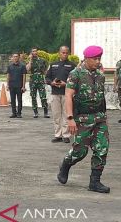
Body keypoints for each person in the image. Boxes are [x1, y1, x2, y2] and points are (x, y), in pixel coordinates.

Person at [57, 45, 110, 193]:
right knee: (80, 151)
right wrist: (70, 118)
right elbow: (68, 95)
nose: (98, 61)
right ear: (86, 59)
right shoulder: (76, 74)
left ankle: (95, 182)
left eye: (99, 58)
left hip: (99, 117)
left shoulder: (100, 75)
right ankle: (66, 164)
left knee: (102, 149)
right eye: (95, 59)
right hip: (82, 118)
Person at [45, 46, 76, 143]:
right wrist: (52, 83)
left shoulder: (72, 66)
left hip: (66, 94)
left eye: (66, 53)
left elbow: (75, 80)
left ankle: (66, 135)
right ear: (59, 53)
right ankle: (58, 134)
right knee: (56, 115)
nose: (65, 54)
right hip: (55, 93)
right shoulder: (53, 65)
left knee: (66, 114)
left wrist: (66, 84)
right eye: (63, 52)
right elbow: (47, 78)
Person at [26, 47, 50, 118]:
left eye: (35, 51)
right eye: (33, 51)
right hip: (33, 80)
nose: (34, 52)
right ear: (31, 53)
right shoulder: (30, 61)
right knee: (33, 96)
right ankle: (35, 112)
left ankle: (46, 112)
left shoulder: (42, 60)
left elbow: (45, 71)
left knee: (43, 97)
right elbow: (28, 69)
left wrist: (46, 79)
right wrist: (30, 60)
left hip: (40, 80)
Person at [6, 53, 27, 118]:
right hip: (12, 85)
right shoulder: (10, 66)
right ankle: (13, 113)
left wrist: (23, 86)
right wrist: (7, 85)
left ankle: (19, 113)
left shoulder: (22, 66)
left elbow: (24, 76)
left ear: (19, 57)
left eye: (16, 56)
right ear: (12, 58)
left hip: (19, 85)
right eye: (14, 56)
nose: (15, 58)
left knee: (19, 99)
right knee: (12, 100)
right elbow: (8, 76)